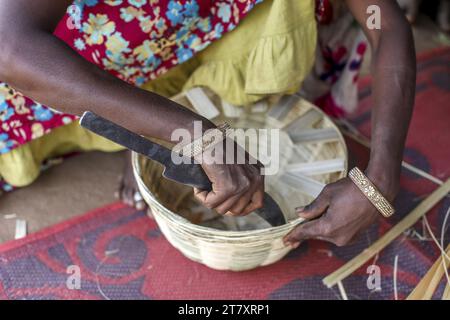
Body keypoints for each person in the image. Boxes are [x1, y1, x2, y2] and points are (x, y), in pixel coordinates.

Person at [0, 0, 415, 247]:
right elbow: (12, 50)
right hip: (99, 38)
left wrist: (380, 179)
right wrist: (197, 136)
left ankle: (167, 113)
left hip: (208, 23)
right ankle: (148, 117)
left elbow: (384, 22)